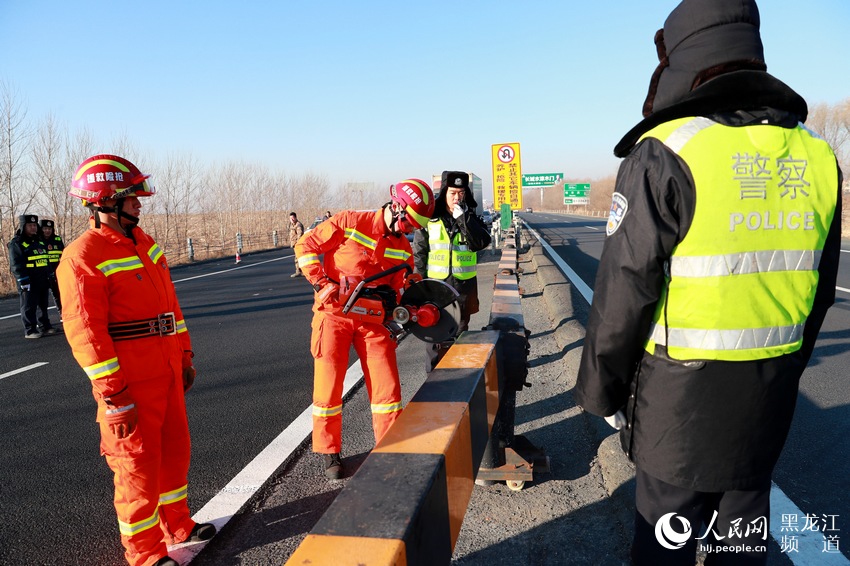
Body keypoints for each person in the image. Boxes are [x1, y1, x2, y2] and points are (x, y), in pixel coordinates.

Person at [573, 1, 842, 565]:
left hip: (679, 410)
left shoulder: (670, 150)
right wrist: (786, 368)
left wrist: (601, 391)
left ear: (678, 59)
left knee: (665, 544)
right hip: (766, 399)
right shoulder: (818, 155)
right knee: (741, 545)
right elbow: (819, 290)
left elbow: (625, 290)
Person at [57, 154, 215, 566]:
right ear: (106, 201)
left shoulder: (144, 244)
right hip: (130, 380)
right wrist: (114, 395)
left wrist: (184, 355)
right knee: (137, 467)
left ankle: (177, 526)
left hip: (165, 368)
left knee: (175, 453)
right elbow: (86, 334)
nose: (140, 204)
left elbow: (171, 307)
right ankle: (144, 553)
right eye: (132, 198)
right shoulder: (82, 256)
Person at [294, 179, 435, 480]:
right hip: (334, 315)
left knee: (388, 390)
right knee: (328, 386)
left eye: (416, 227)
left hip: (373, 322)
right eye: (410, 223)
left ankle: (390, 449)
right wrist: (320, 282)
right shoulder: (350, 222)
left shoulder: (403, 248)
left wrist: (411, 299)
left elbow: (402, 287)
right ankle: (329, 451)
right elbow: (305, 246)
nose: (411, 230)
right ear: (397, 207)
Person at [412, 171, 491, 372]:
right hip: (436, 288)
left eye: (461, 193)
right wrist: (419, 286)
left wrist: (464, 219)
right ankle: (432, 380)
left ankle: (459, 381)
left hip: (463, 287)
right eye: (453, 193)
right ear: (444, 192)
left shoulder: (470, 215)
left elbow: (481, 242)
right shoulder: (430, 218)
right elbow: (420, 253)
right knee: (433, 335)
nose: (457, 198)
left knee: (461, 336)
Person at [8, 213, 55, 338]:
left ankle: (45, 326)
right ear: (24, 226)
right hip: (29, 280)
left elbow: (46, 259)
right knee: (29, 306)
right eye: (30, 225)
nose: (33, 227)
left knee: (43, 305)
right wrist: (23, 279)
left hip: (42, 279)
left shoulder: (39, 240)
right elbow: (16, 264)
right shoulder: (17, 243)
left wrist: (50, 274)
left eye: (34, 225)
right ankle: (30, 330)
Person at [40, 218, 64, 319]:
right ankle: (44, 321)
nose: (47, 231)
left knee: (59, 294)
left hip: (57, 272)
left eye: (49, 228)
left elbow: (63, 254)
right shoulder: (38, 240)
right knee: (42, 299)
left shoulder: (57, 240)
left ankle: (63, 313)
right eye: (45, 228)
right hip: (43, 273)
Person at [289, 211, 305, 277]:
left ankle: (299, 271)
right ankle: (300, 271)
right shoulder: (291, 225)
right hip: (294, 243)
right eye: (290, 218)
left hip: (298, 244)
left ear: (295, 218)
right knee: (298, 258)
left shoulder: (298, 225)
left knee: (298, 258)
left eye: (293, 218)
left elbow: (299, 234)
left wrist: (298, 243)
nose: (292, 220)